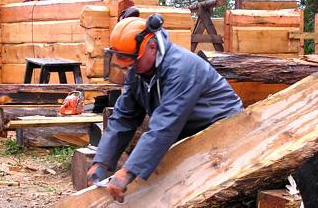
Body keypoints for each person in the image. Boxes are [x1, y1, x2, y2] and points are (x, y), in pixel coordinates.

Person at [86, 11, 244, 202]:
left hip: (224, 130)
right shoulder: (137, 70)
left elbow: (165, 126)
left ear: (152, 47)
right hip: (186, 130)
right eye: (124, 64)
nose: (128, 69)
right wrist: (102, 161)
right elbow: (123, 118)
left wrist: (128, 171)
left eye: (132, 63)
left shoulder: (182, 68)